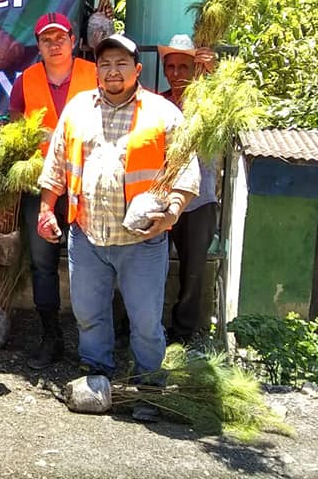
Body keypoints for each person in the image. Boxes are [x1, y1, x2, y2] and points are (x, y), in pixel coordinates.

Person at [36, 34, 198, 419]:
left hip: (142, 241)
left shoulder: (162, 113)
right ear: (97, 69)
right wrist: (46, 210)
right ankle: (98, 378)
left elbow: (185, 172)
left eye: (121, 63)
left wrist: (172, 213)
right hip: (87, 235)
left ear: (137, 70)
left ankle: (149, 388)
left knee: (144, 322)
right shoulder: (78, 110)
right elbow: (55, 166)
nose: (112, 71)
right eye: (105, 63)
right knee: (89, 314)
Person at [8, 12, 98, 369]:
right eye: (47, 39)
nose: (55, 44)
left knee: (93, 264)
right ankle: (51, 338)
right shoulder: (26, 80)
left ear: (73, 41)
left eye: (60, 37)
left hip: (88, 186)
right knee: (43, 264)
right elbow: (15, 133)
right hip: (40, 187)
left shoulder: (95, 75)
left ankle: (94, 343)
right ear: (39, 45)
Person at [158, 34, 219, 345]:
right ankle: (142, 327)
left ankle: (182, 335)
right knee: (150, 265)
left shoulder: (208, 107)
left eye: (184, 66)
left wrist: (215, 76)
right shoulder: (158, 102)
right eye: (171, 66)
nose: (177, 73)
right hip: (161, 198)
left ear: (195, 70)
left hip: (200, 199)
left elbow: (226, 113)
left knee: (193, 271)